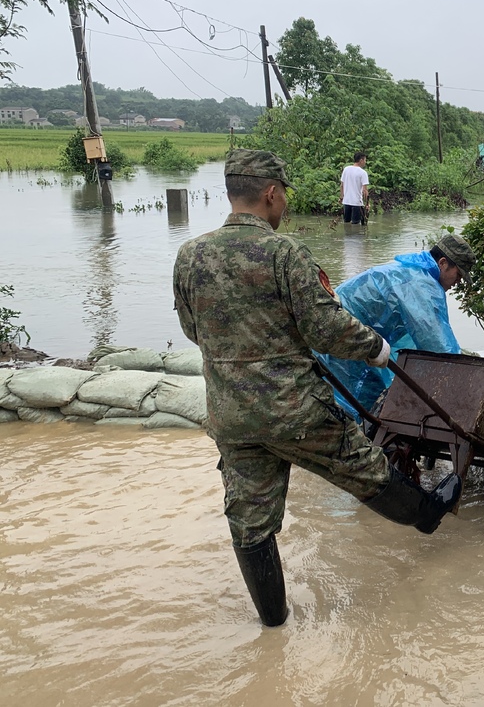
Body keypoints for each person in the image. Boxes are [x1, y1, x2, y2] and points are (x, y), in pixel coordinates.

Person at [172, 149, 462, 628]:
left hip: (230, 413)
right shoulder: (284, 254)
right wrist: (377, 349)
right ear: (270, 194)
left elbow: (191, 329)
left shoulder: (190, 255)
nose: (284, 202)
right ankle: (428, 515)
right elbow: (326, 327)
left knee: (249, 520)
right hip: (295, 410)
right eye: (283, 193)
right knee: (364, 468)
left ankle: (272, 623)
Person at [317, 233, 476, 419]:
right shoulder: (423, 285)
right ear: (442, 263)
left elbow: (415, 339)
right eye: (458, 274)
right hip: (345, 337)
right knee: (360, 406)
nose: (458, 282)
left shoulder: (412, 270)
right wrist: (465, 378)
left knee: (365, 400)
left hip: (339, 332)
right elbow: (438, 345)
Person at [340, 151, 369, 225]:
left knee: (346, 223)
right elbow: (365, 191)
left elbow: (342, 185)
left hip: (346, 202)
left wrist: (341, 198)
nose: (365, 162)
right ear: (361, 160)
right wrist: (367, 204)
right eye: (365, 160)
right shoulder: (363, 173)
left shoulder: (346, 169)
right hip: (357, 203)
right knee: (356, 225)